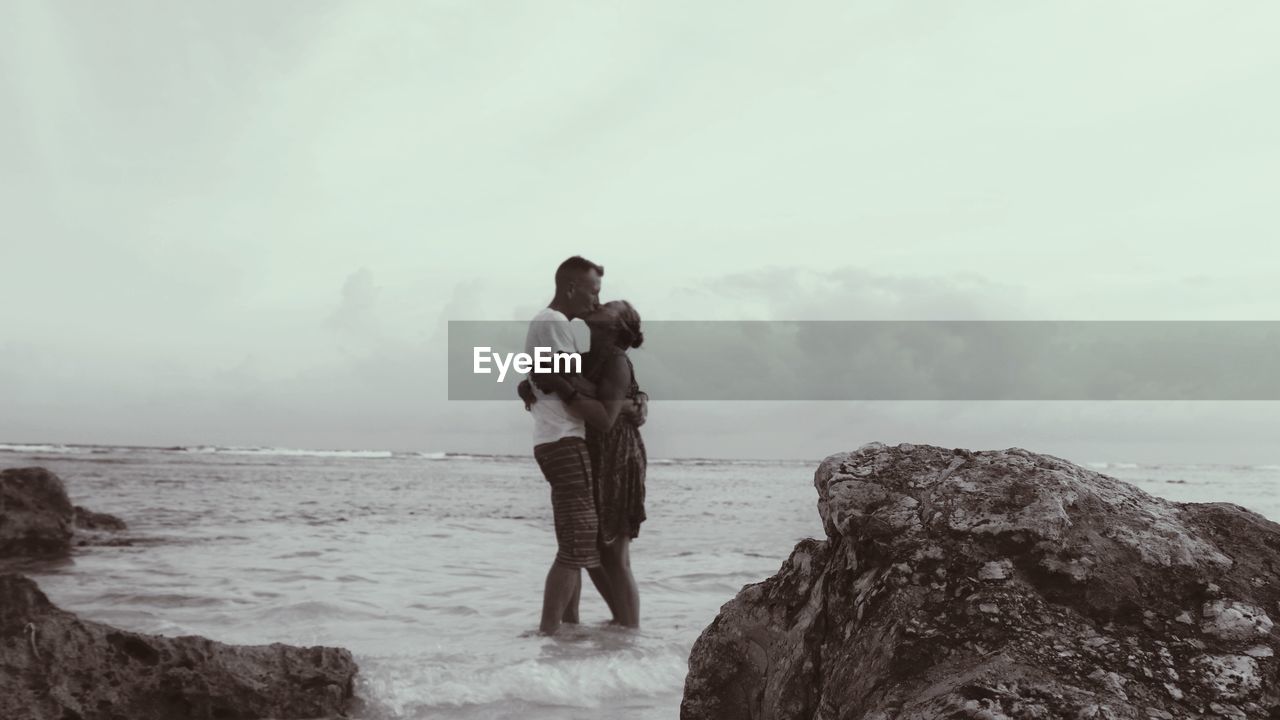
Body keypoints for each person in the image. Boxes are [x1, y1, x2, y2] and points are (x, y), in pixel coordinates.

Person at [537, 300, 648, 628]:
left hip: (618, 455)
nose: (599, 303)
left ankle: (629, 632)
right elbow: (543, 374)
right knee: (589, 545)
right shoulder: (586, 358)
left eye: (610, 306)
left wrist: (562, 386)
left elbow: (604, 416)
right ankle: (613, 628)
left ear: (616, 326)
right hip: (592, 451)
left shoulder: (615, 360)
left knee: (614, 552)